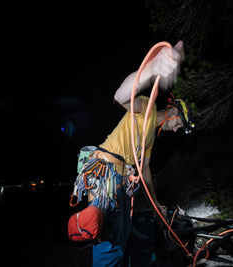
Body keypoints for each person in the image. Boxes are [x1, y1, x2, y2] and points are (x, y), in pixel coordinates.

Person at [79, 40, 194, 266]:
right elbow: (122, 95)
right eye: (181, 122)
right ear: (172, 110)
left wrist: (156, 205)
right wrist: (152, 69)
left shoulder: (151, 134)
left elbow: (145, 170)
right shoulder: (147, 109)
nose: (179, 128)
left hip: (121, 180)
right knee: (109, 242)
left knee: (124, 238)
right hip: (106, 173)